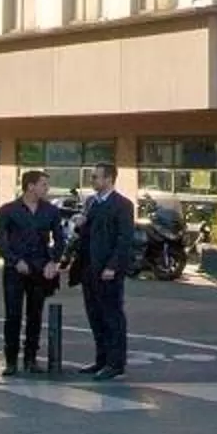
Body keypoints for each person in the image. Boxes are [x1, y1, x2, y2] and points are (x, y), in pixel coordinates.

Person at [72, 162, 139, 380]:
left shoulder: (122, 205)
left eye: (95, 177)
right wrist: (81, 224)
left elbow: (124, 238)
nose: (92, 181)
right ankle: (101, 359)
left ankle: (115, 363)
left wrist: (112, 266)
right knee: (95, 315)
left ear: (109, 179)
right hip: (89, 267)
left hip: (107, 270)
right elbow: (86, 234)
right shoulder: (91, 202)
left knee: (112, 315)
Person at [0, 170, 63, 374]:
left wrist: (53, 261)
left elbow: (60, 239)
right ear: (30, 186)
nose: (47, 189)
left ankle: (31, 358)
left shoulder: (51, 211)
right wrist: (14, 260)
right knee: (13, 315)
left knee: (35, 314)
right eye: (43, 185)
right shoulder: (9, 210)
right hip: (15, 270)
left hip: (39, 269)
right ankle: (11, 360)